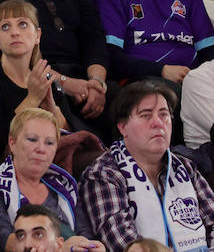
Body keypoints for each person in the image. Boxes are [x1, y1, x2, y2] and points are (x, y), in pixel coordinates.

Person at [79, 80, 214, 252]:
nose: (158, 123)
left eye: (164, 115)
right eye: (146, 115)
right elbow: (125, 245)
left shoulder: (186, 167)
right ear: (123, 127)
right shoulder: (104, 174)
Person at [0, 1, 72, 163]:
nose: (15, 32)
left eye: (22, 24)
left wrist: (50, 107)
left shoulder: (46, 79)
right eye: (5, 27)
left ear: (38, 35)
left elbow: (69, 138)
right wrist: (32, 99)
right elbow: (0, 148)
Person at [0, 109, 94, 251]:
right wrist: (58, 248)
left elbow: (85, 234)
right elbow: (4, 240)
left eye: (49, 143)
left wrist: (91, 247)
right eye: (32, 139)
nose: (41, 149)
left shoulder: (64, 185)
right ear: (12, 143)